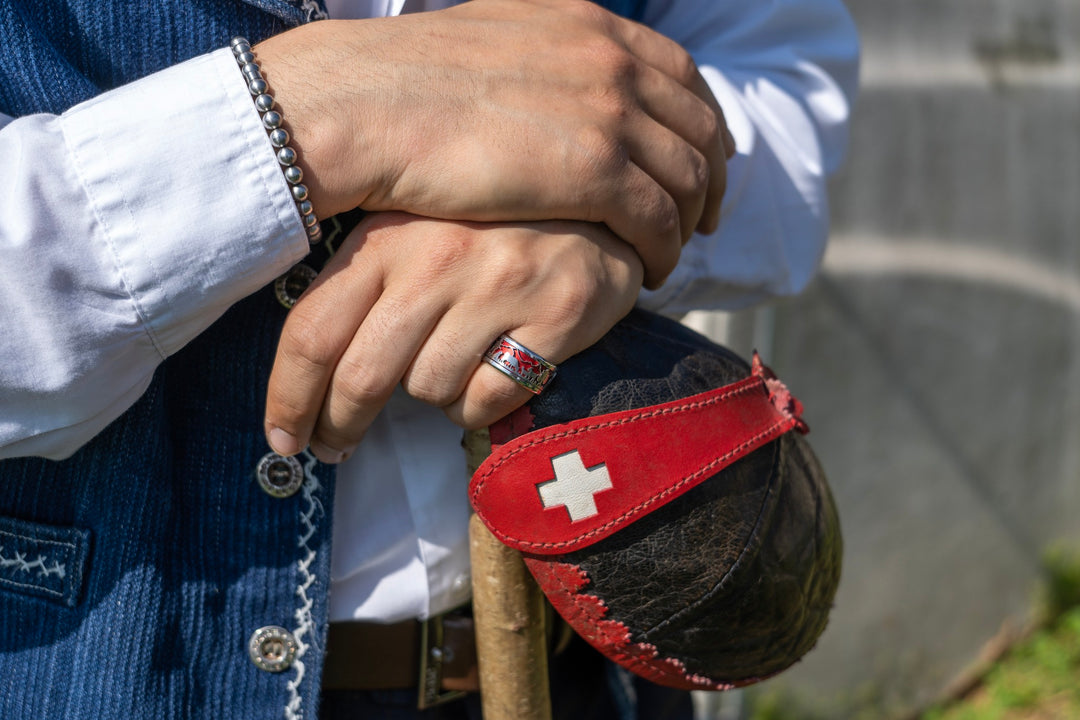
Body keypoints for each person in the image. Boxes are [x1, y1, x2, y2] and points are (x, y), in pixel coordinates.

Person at [0, 0, 858, 718]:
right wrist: (315, 119)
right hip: (92, 680)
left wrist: (600, 208)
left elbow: (783, 78)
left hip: (584, 678)